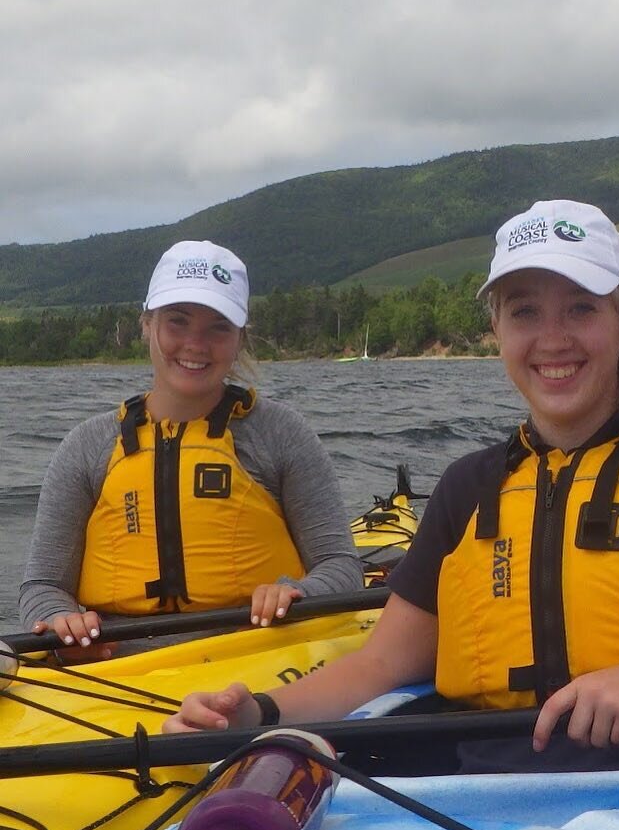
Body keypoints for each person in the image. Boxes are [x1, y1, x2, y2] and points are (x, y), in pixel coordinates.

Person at [165, 201, 619, 770]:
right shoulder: (468, 486)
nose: (552, 338)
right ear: (496, 332)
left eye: (579, 308)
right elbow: (378, 666)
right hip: (487, 782)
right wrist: (255, 710)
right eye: (524, 312)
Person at [19, 239, 363, 654]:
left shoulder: (282, 434)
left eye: (218, 327)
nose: (195, 344)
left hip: (255, 650)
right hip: (113, 664)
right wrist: (61, 621)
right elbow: (42, 587)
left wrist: (298, 594)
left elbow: (342, 568)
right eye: (177, 321)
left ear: (239, 338)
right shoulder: (86, 446)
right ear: (147, 324)